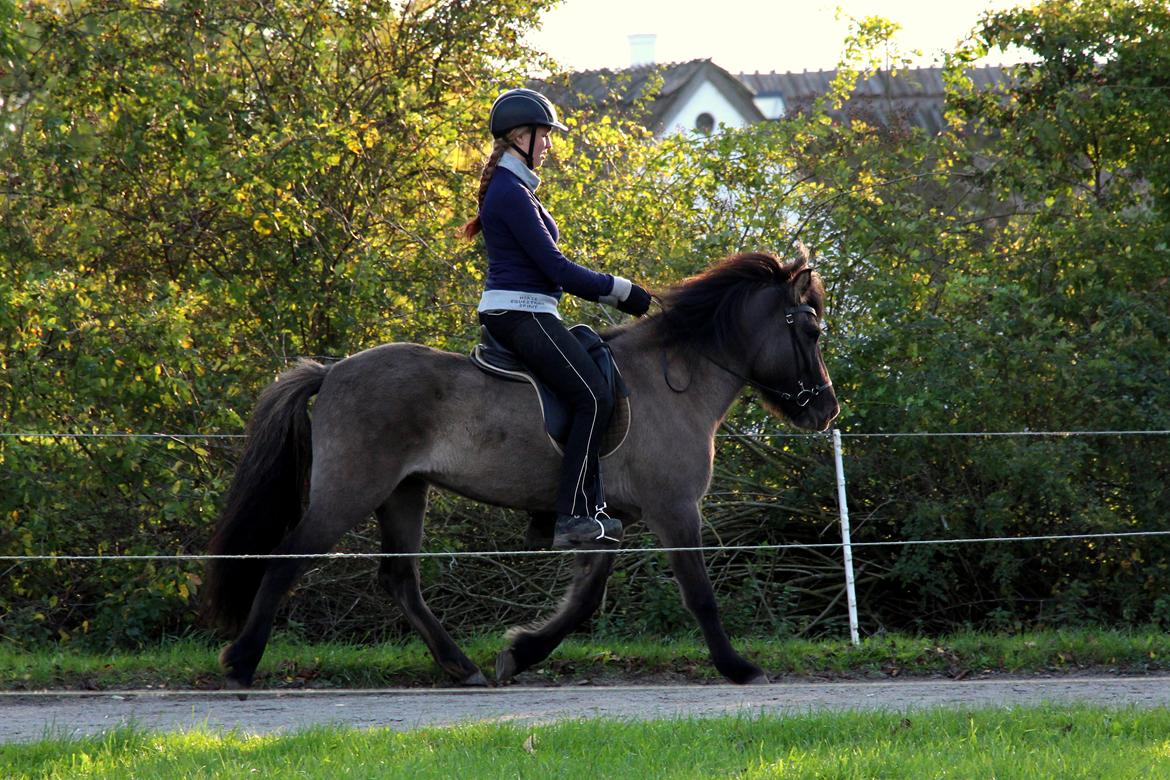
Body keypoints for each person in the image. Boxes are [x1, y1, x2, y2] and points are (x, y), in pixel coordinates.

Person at [460, 88, 652, 550]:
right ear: (519, 136)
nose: (549, 144)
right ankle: (573, 516)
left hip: (527, 310)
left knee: (585, 381)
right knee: (593, 397)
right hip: (519, 312)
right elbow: (557, 269)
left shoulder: (517, 188)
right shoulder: (510, 192)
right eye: (544, 135)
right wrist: (622, 290)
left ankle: (550, 513)